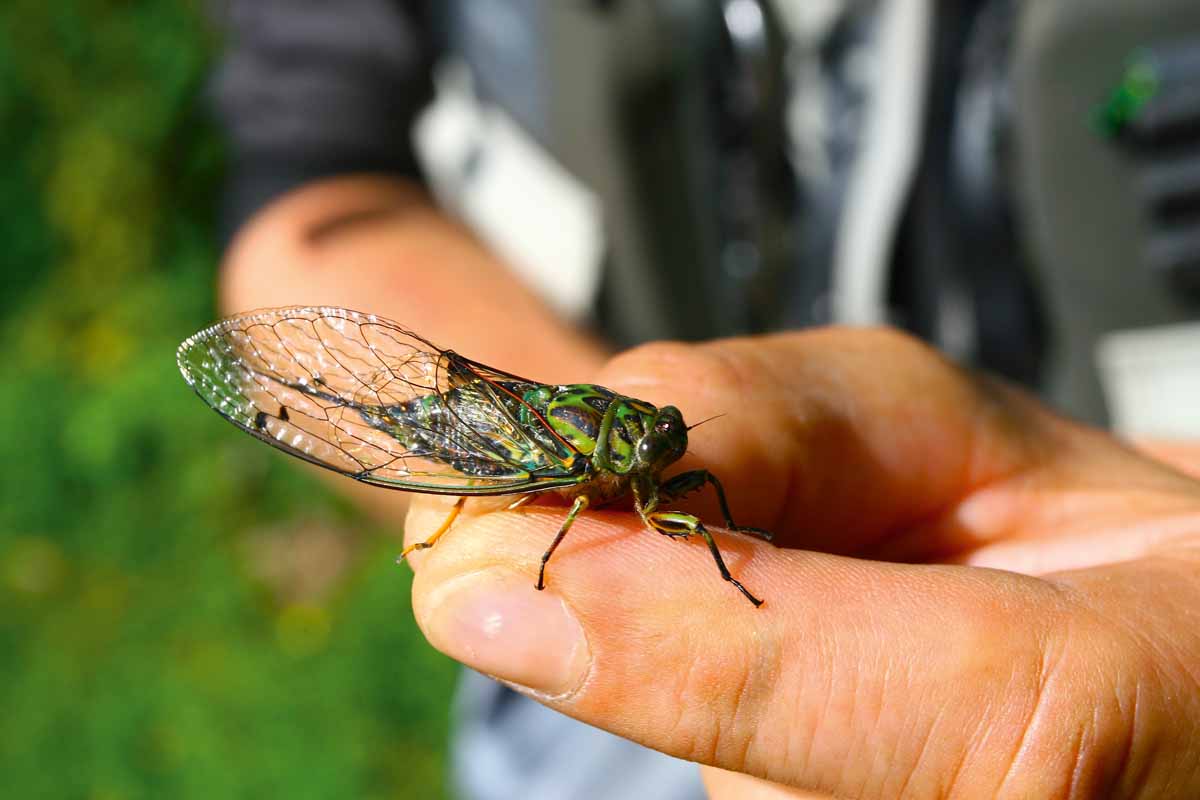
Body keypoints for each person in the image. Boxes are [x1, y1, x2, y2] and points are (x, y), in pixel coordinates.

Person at [210, 1, 1200, 796]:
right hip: (492, 452)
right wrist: (534, 542)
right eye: (650, 449)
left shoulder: (663, 468)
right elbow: (306, 182)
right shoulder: (593, 480)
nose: (663, 460)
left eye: (660, 444)